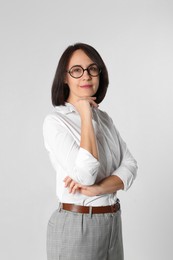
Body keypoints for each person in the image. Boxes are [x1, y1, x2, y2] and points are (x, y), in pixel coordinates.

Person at [43, 42, 138, 260]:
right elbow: (85, 176)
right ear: (65, 78)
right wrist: (85, 115)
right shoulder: (55, 122)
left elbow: (131, 166)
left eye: (92, 69)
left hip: (112, 222)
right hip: (79, 224)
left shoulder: (105, 120)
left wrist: (98, 189)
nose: (86, 76)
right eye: (77, 70)